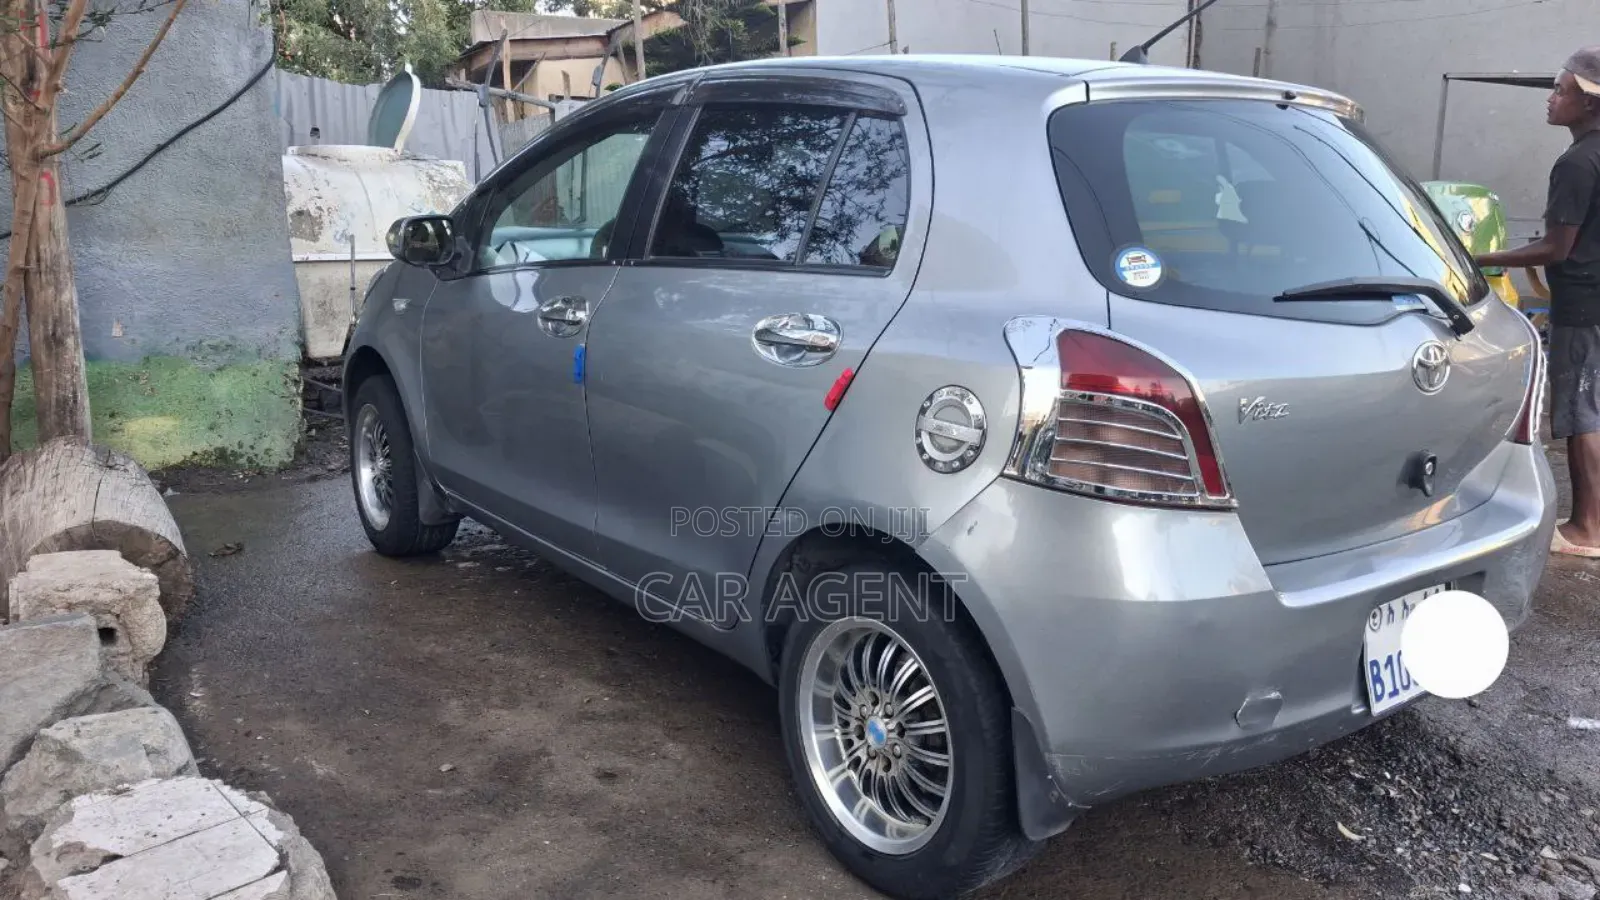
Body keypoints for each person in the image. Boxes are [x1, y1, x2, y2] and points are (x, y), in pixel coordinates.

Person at [1477, 46, 1600, 557]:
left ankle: (1587, 531)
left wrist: (1484, 256)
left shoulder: (1576, 162)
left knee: (1581, 411)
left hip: (1583, 304)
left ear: (1590, 103)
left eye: (1560, 90)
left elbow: (1557, 247)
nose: (1550, 99)